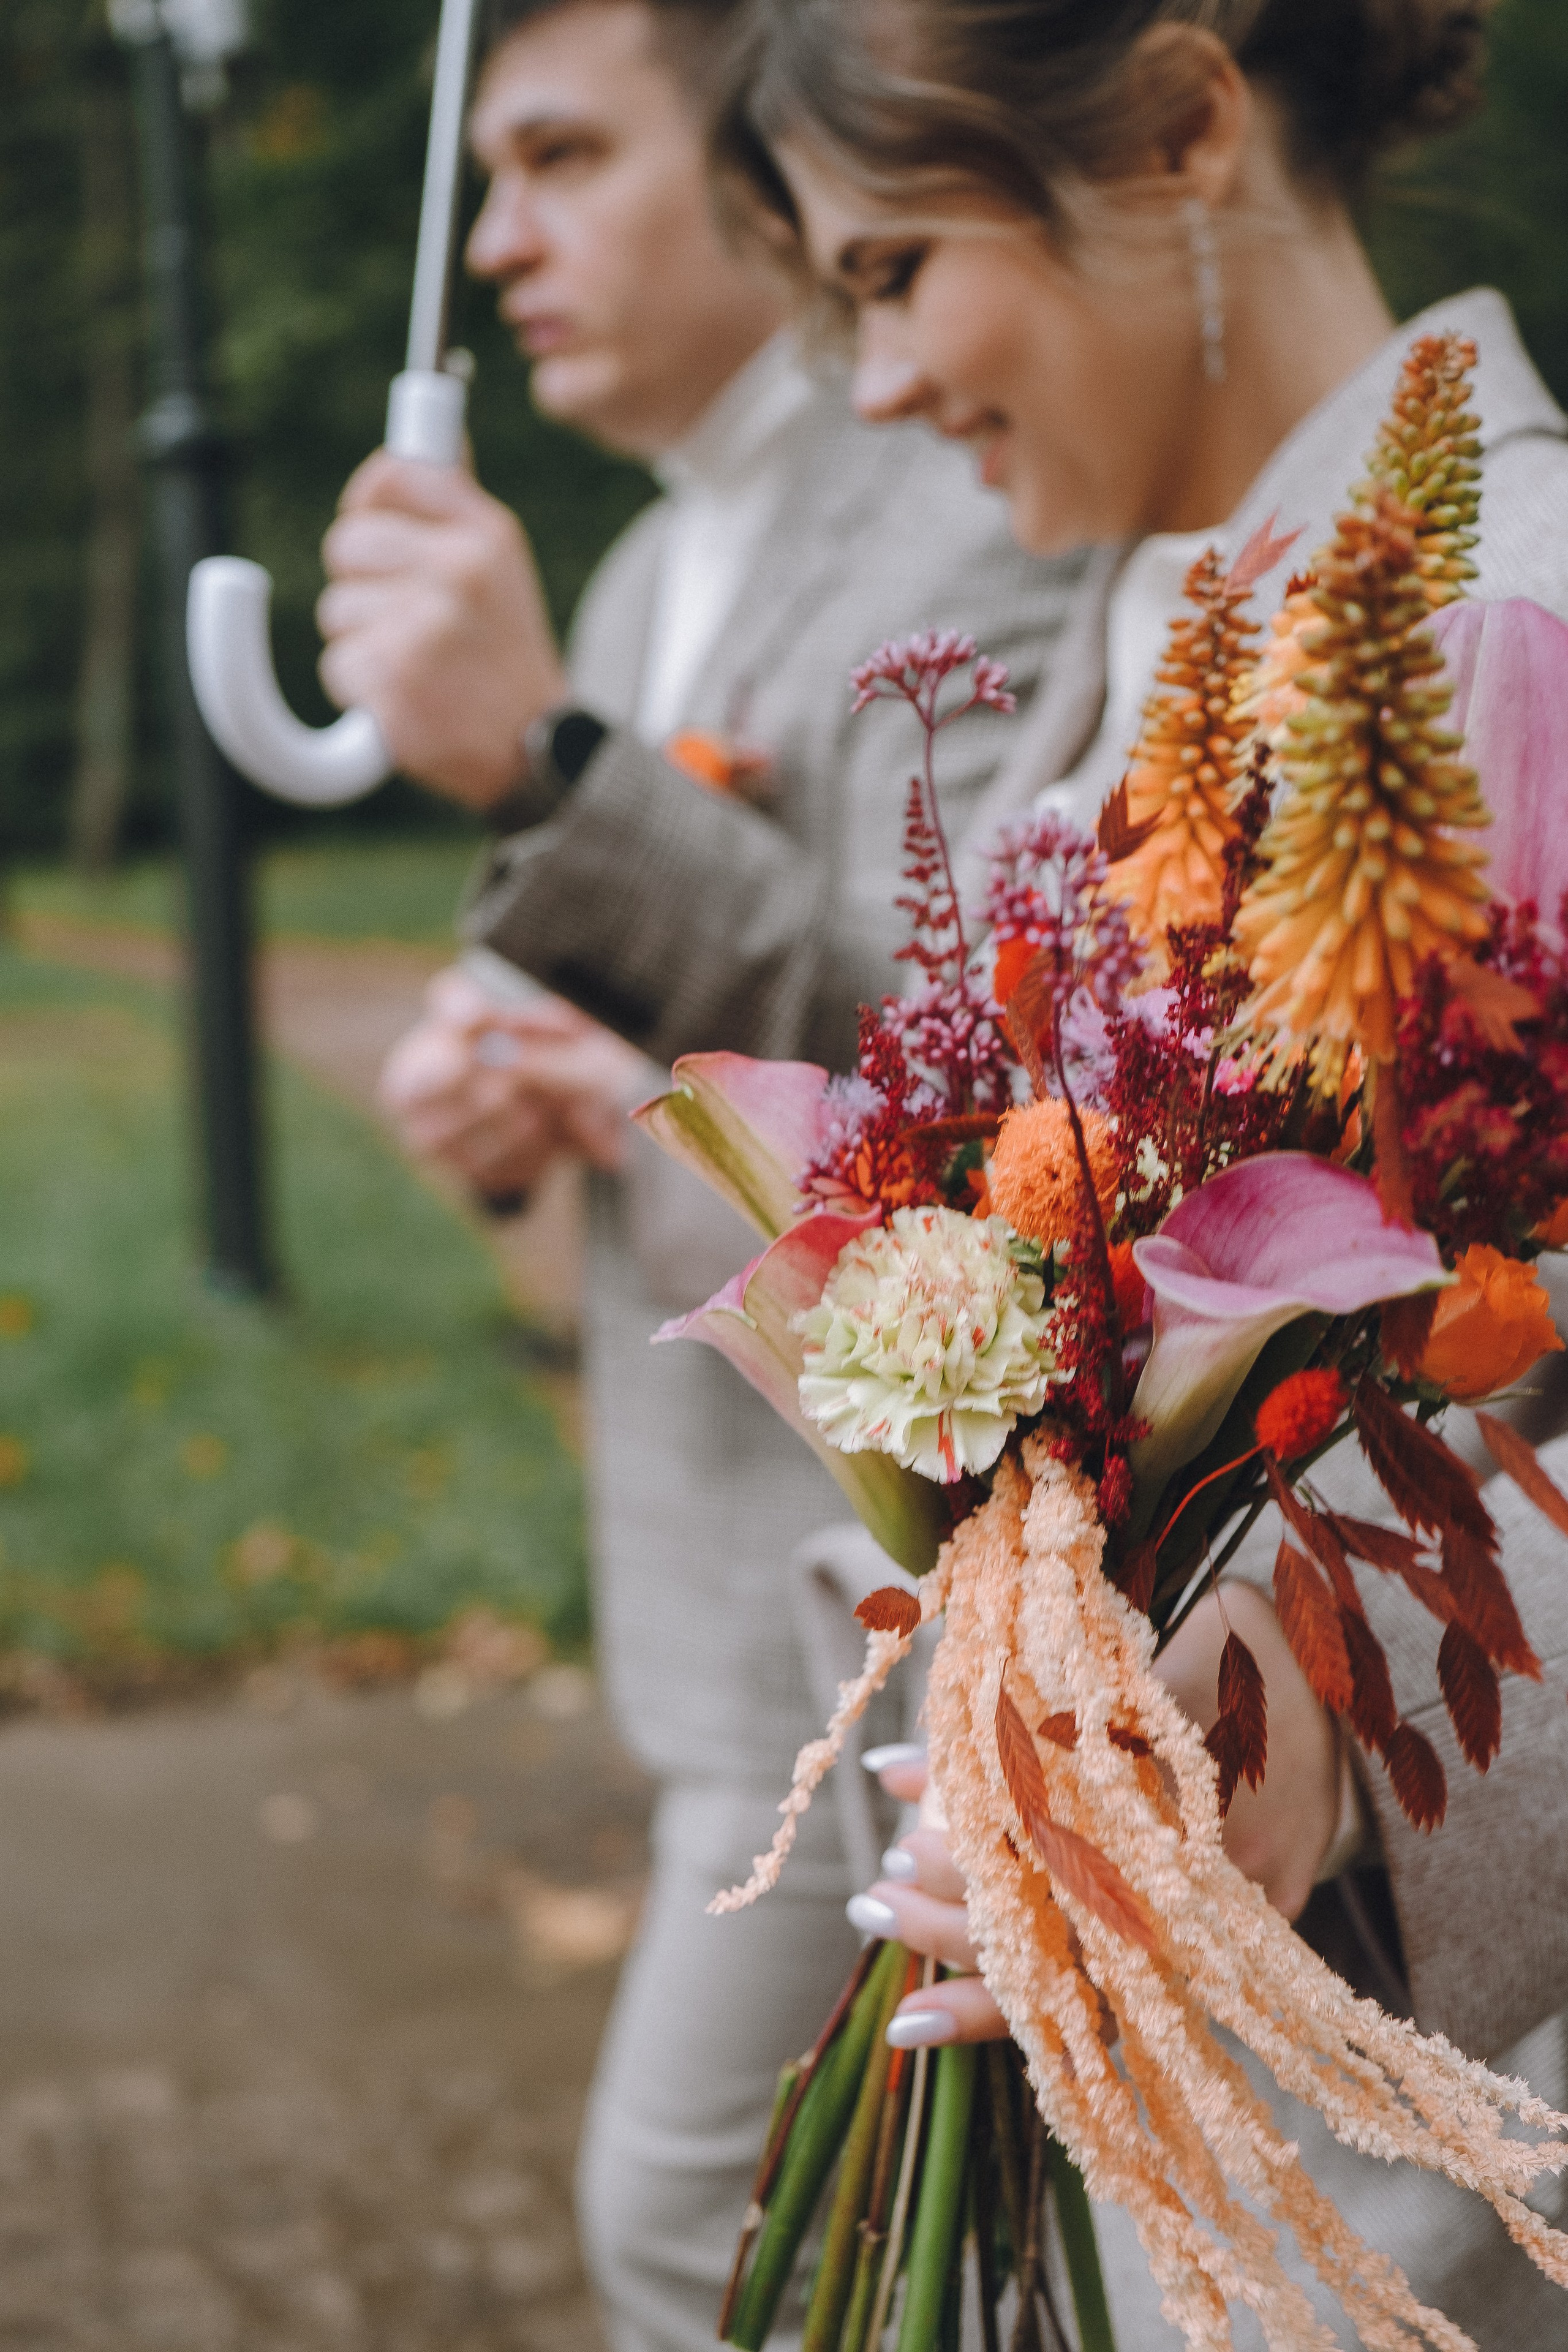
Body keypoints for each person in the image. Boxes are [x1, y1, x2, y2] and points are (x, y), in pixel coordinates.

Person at [717, 1, 1568, 2342]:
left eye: (894, 273)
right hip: (1118, 2049)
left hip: (1379, 2164)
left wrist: (1318, 1725)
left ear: (1191, 123)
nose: (876, 384)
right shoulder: (1161, 612)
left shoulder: (1524, 621)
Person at [317, 3, 1086, 2344]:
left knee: (688, 2226)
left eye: (559, 158)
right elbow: (697, 1033)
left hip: (877, 1609)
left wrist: (555, 768)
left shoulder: (983, 506)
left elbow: (974, 1081)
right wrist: (512, 1100)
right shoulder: (646, 558)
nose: (497, 232)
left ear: (756, 162)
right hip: (699, 1598)